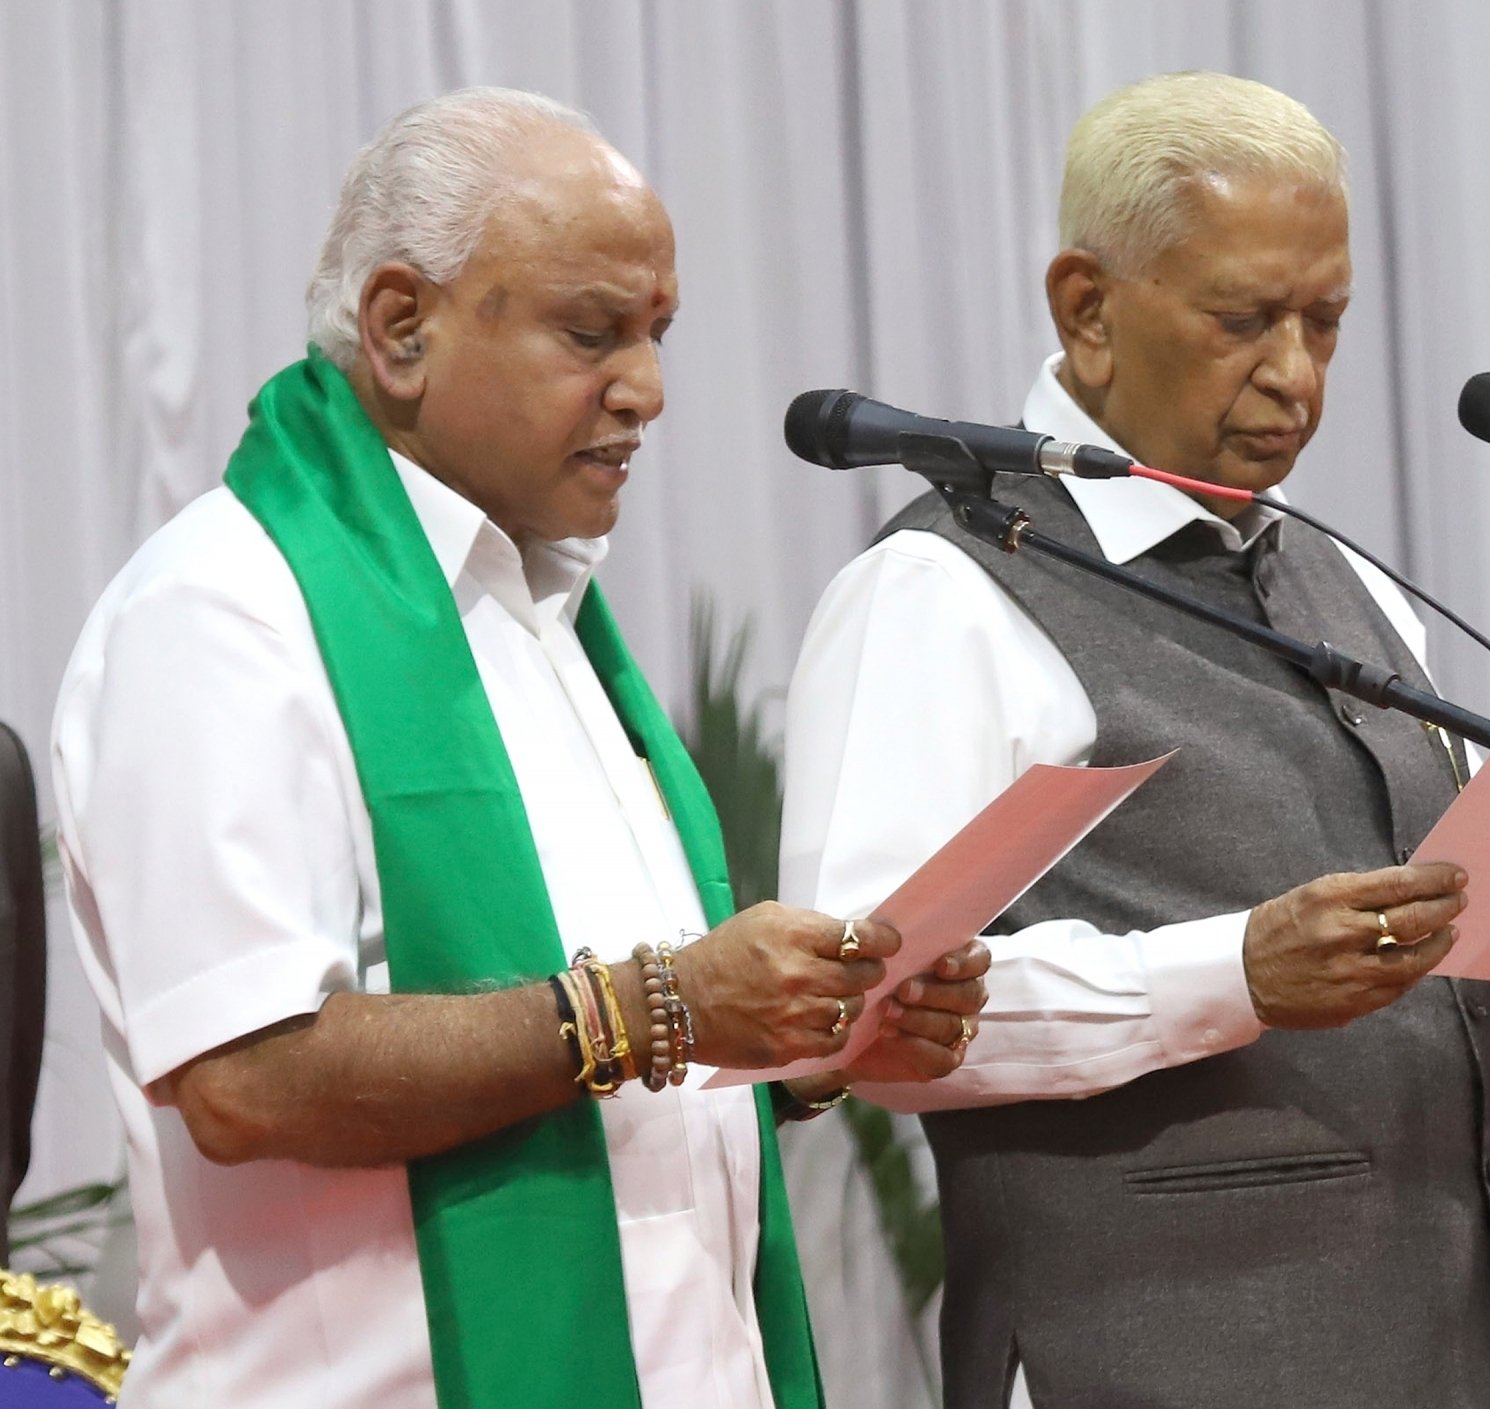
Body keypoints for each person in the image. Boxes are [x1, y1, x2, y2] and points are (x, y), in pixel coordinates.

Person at [51, 87, 988, 1409]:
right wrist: (658, 1007)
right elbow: (248, 1078)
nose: (650, 389)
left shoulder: (550, 619)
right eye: (591, 331)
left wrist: (809, 1046)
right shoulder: (221, 610)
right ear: (400, 326)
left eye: (657, 333)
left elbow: (612, 1064)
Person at [780, 72, 1490, 1408]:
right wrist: (1233, 968)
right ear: (1086, 309)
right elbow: (854, 1014)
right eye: (1246, 318)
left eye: (1326, 322)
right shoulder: (938, 592)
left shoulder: (1346, 578)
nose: (1296, 376)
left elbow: (1443, 946)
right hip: (1143, 1353)